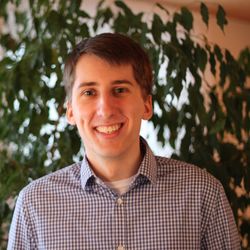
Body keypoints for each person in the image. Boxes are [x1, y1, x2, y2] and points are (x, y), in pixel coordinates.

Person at [8, 33, 240, 250]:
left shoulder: (203, 194)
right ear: (70, 111)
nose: (106, 109)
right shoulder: (34, 205)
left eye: (119, 90)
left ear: (146, 105)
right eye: (89, 92)